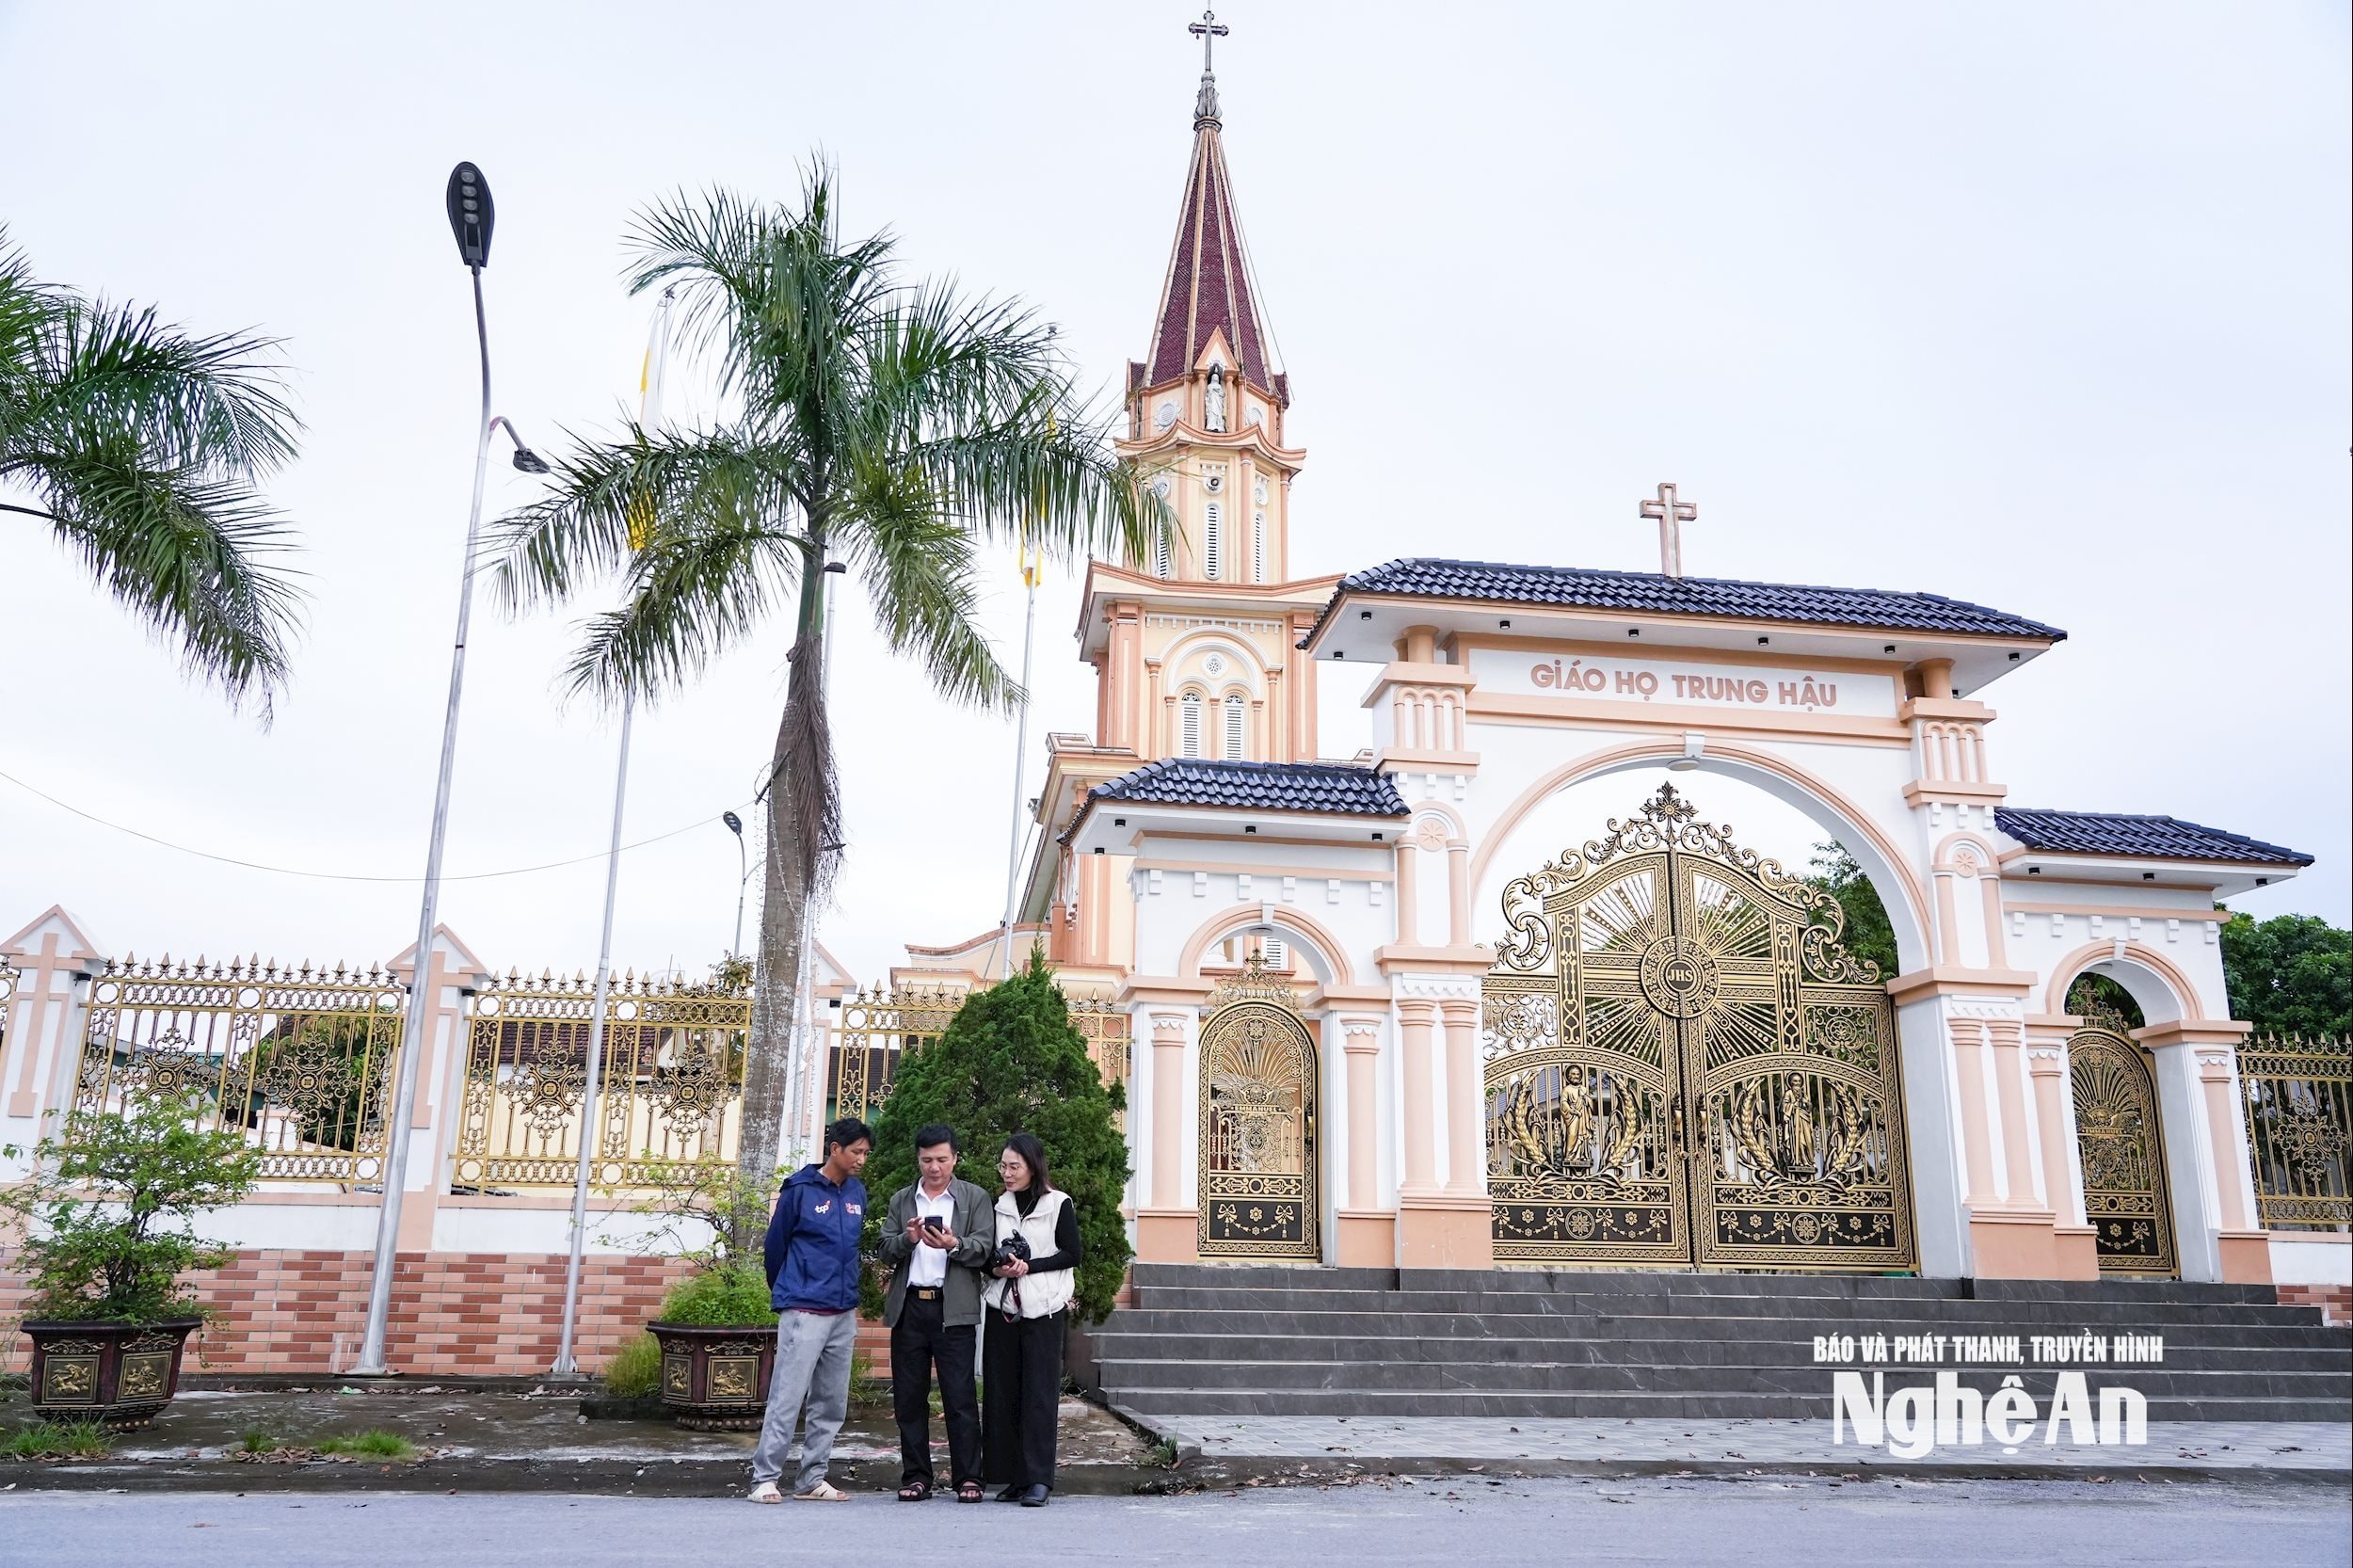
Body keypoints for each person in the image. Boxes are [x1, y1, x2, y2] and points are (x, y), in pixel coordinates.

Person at [748, 1116, 872, 1504]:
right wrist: (790, 1291)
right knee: (788, 1396)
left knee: (831, 1401)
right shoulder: (799, 1190)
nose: (861, 1160)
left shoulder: (857, 1195)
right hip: (803, 1309)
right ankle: (764, 1479)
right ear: (834, 1148)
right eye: (856, 1152)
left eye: (866, 1153)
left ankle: (812, 1479)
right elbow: (775, 1248)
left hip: (842, 1310)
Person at [873, 1124, 996, 1503]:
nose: (935, 1167)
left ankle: (968, 1478)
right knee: (909, 1398)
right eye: (927, 1160)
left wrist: (953, 1243)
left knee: (959, 1397)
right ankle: (916, 1476)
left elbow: (985, 1249)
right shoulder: (902, 1200)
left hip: (952, 1308)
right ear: (918, 1160)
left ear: (955, 1158)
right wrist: (907, 1239)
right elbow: (883, 1248)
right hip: (910, 1307)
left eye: (942, 1159)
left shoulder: (974, 1198)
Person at [981, 1132, 1082, 1508]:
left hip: (1044, 1310)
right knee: (1003, 1393)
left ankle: (1039, 1479)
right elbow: (988, 1260)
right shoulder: (999, 1206)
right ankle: (1012, 1478)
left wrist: (1029, 1266)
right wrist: (1000, 1268)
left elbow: (1072, 1253)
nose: (1007, 1173)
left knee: (1039, 1396)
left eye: (1014, 1167)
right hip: (1004, 1310)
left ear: (1032, 1167)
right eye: (1003, 1166)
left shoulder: (1058, 1204)